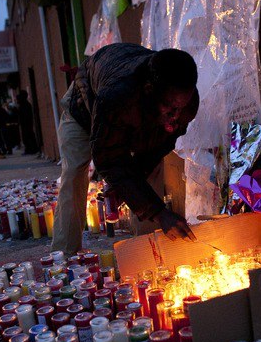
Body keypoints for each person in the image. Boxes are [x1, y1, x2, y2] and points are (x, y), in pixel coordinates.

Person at [51, 44, 199, 254]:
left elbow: (156, 150)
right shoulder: (117, 96)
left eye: (180, 108)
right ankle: (64, 253)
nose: (176, 116)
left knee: (150, 173)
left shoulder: (185, 105)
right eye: (170, 108)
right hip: (83, 110)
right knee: (74, 172)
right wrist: (160, 213)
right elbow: (109, 158)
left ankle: (152, 251)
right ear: (149, 90)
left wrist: (135, 191)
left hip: (133, 115)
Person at [16, 90, 39, 155]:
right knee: (27, 136)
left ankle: (31, 149)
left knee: (28, 136)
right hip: (26, 124)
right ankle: (30, 149)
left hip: (26, 124)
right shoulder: (25, 105)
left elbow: (24, 115)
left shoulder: (25, 105)